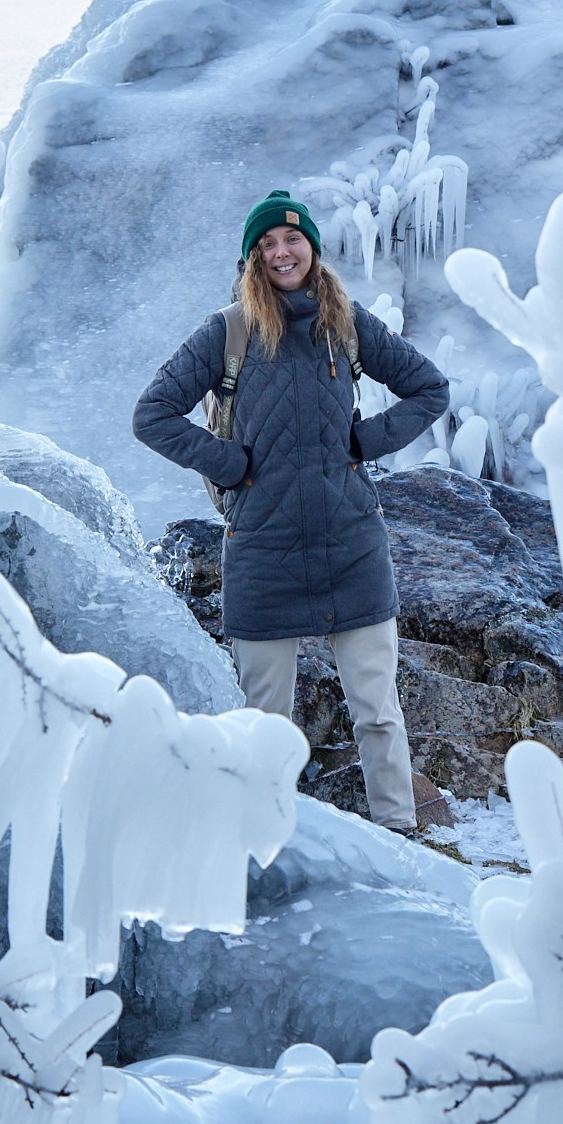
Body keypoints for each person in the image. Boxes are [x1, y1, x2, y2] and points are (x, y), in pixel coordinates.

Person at [133, 190, 451, 831]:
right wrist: (232, 466)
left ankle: (405, 842)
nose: (282, 252)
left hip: (352, 545)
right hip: (263, 551)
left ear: (312, 247)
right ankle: (263, 845)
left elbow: (429, 388)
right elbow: (152, 415)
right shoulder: (227, 331)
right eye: (267, 245)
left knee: (379, 713)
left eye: (292, 240)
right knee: (263, 724)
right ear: (253, 259)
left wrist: (366, 441)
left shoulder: (348, 323)